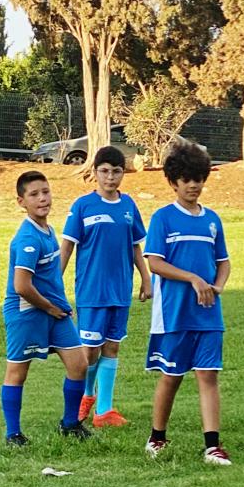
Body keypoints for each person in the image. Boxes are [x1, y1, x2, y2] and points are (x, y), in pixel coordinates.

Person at [143, 139, 231, 465]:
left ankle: (212, 446)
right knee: (172, 376)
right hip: (174, 314)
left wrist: (218, 285)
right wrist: (193, 278)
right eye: (186, 179)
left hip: (208, 314)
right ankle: (157, 437)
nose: (193, 185)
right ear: (173, 181)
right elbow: (155, 263)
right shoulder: (163, 218)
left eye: (198, 178)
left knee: (208, 376)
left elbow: (223, 261)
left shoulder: (212, 220)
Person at [60, 145, 151, 428]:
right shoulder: (82, 206)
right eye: (105, 171)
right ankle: (86, 396)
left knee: (112, 347)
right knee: (89, 351)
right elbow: (67, 247)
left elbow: (135, 246)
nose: (110, 177)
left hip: (120, 290)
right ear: (95, 173)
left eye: (116, 171)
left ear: (123, 173)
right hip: (92, 291)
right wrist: (53, 284)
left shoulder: (128, 206)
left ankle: (104, 410)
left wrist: (146, 278)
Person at [2, 171, 90, 446]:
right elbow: (22, 286)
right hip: (26, 312)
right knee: (18, 372)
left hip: (55, 311)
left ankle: (70, 423)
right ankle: (13, 434)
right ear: (21, 202)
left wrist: (59, 306)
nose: (42, 199)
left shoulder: (48, 230)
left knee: (79, 365)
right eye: (34, 194)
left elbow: (49, 278)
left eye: (45, 192)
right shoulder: (28, 238)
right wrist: (51, 308)